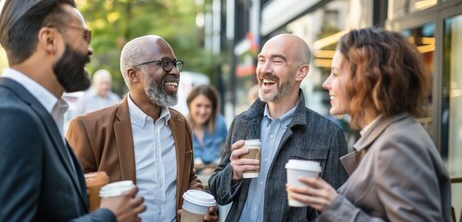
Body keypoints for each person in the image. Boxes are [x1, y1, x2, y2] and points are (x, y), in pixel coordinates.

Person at [0, 0, 145, 221]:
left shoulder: (37, 113)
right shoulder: (10, 116)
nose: (89, 49)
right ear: (49, 40)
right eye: (84, 37)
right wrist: (109, 216)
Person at [286, 28, 451, 221]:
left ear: (368, 79)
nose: (326, 83)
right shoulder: (391, 135)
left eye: (336, 73)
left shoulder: (397, 143)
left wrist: (335, 206)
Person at [66, 35, 218, 222]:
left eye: (175, 64)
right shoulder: (88, 128)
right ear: (134, 74)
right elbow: (73, 199)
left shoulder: (180, 123)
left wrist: (199, 204)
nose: (175, 72)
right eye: (164, 63)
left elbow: (189, 177)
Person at [208, 33, 349, 221]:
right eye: (261, 60)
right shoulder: (242, 123)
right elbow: (218, 192)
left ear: (301, 72)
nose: (265, 69)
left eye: (277, 61)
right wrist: (233, 174)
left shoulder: (330, 134)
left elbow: (335, 212)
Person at [186, 84, 228, 174]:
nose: (202, 111)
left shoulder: (220, 123)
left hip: (215, 183)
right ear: (190, 105)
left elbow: (229, 153)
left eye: (207, 106)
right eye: (198, 105)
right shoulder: (181, 127)